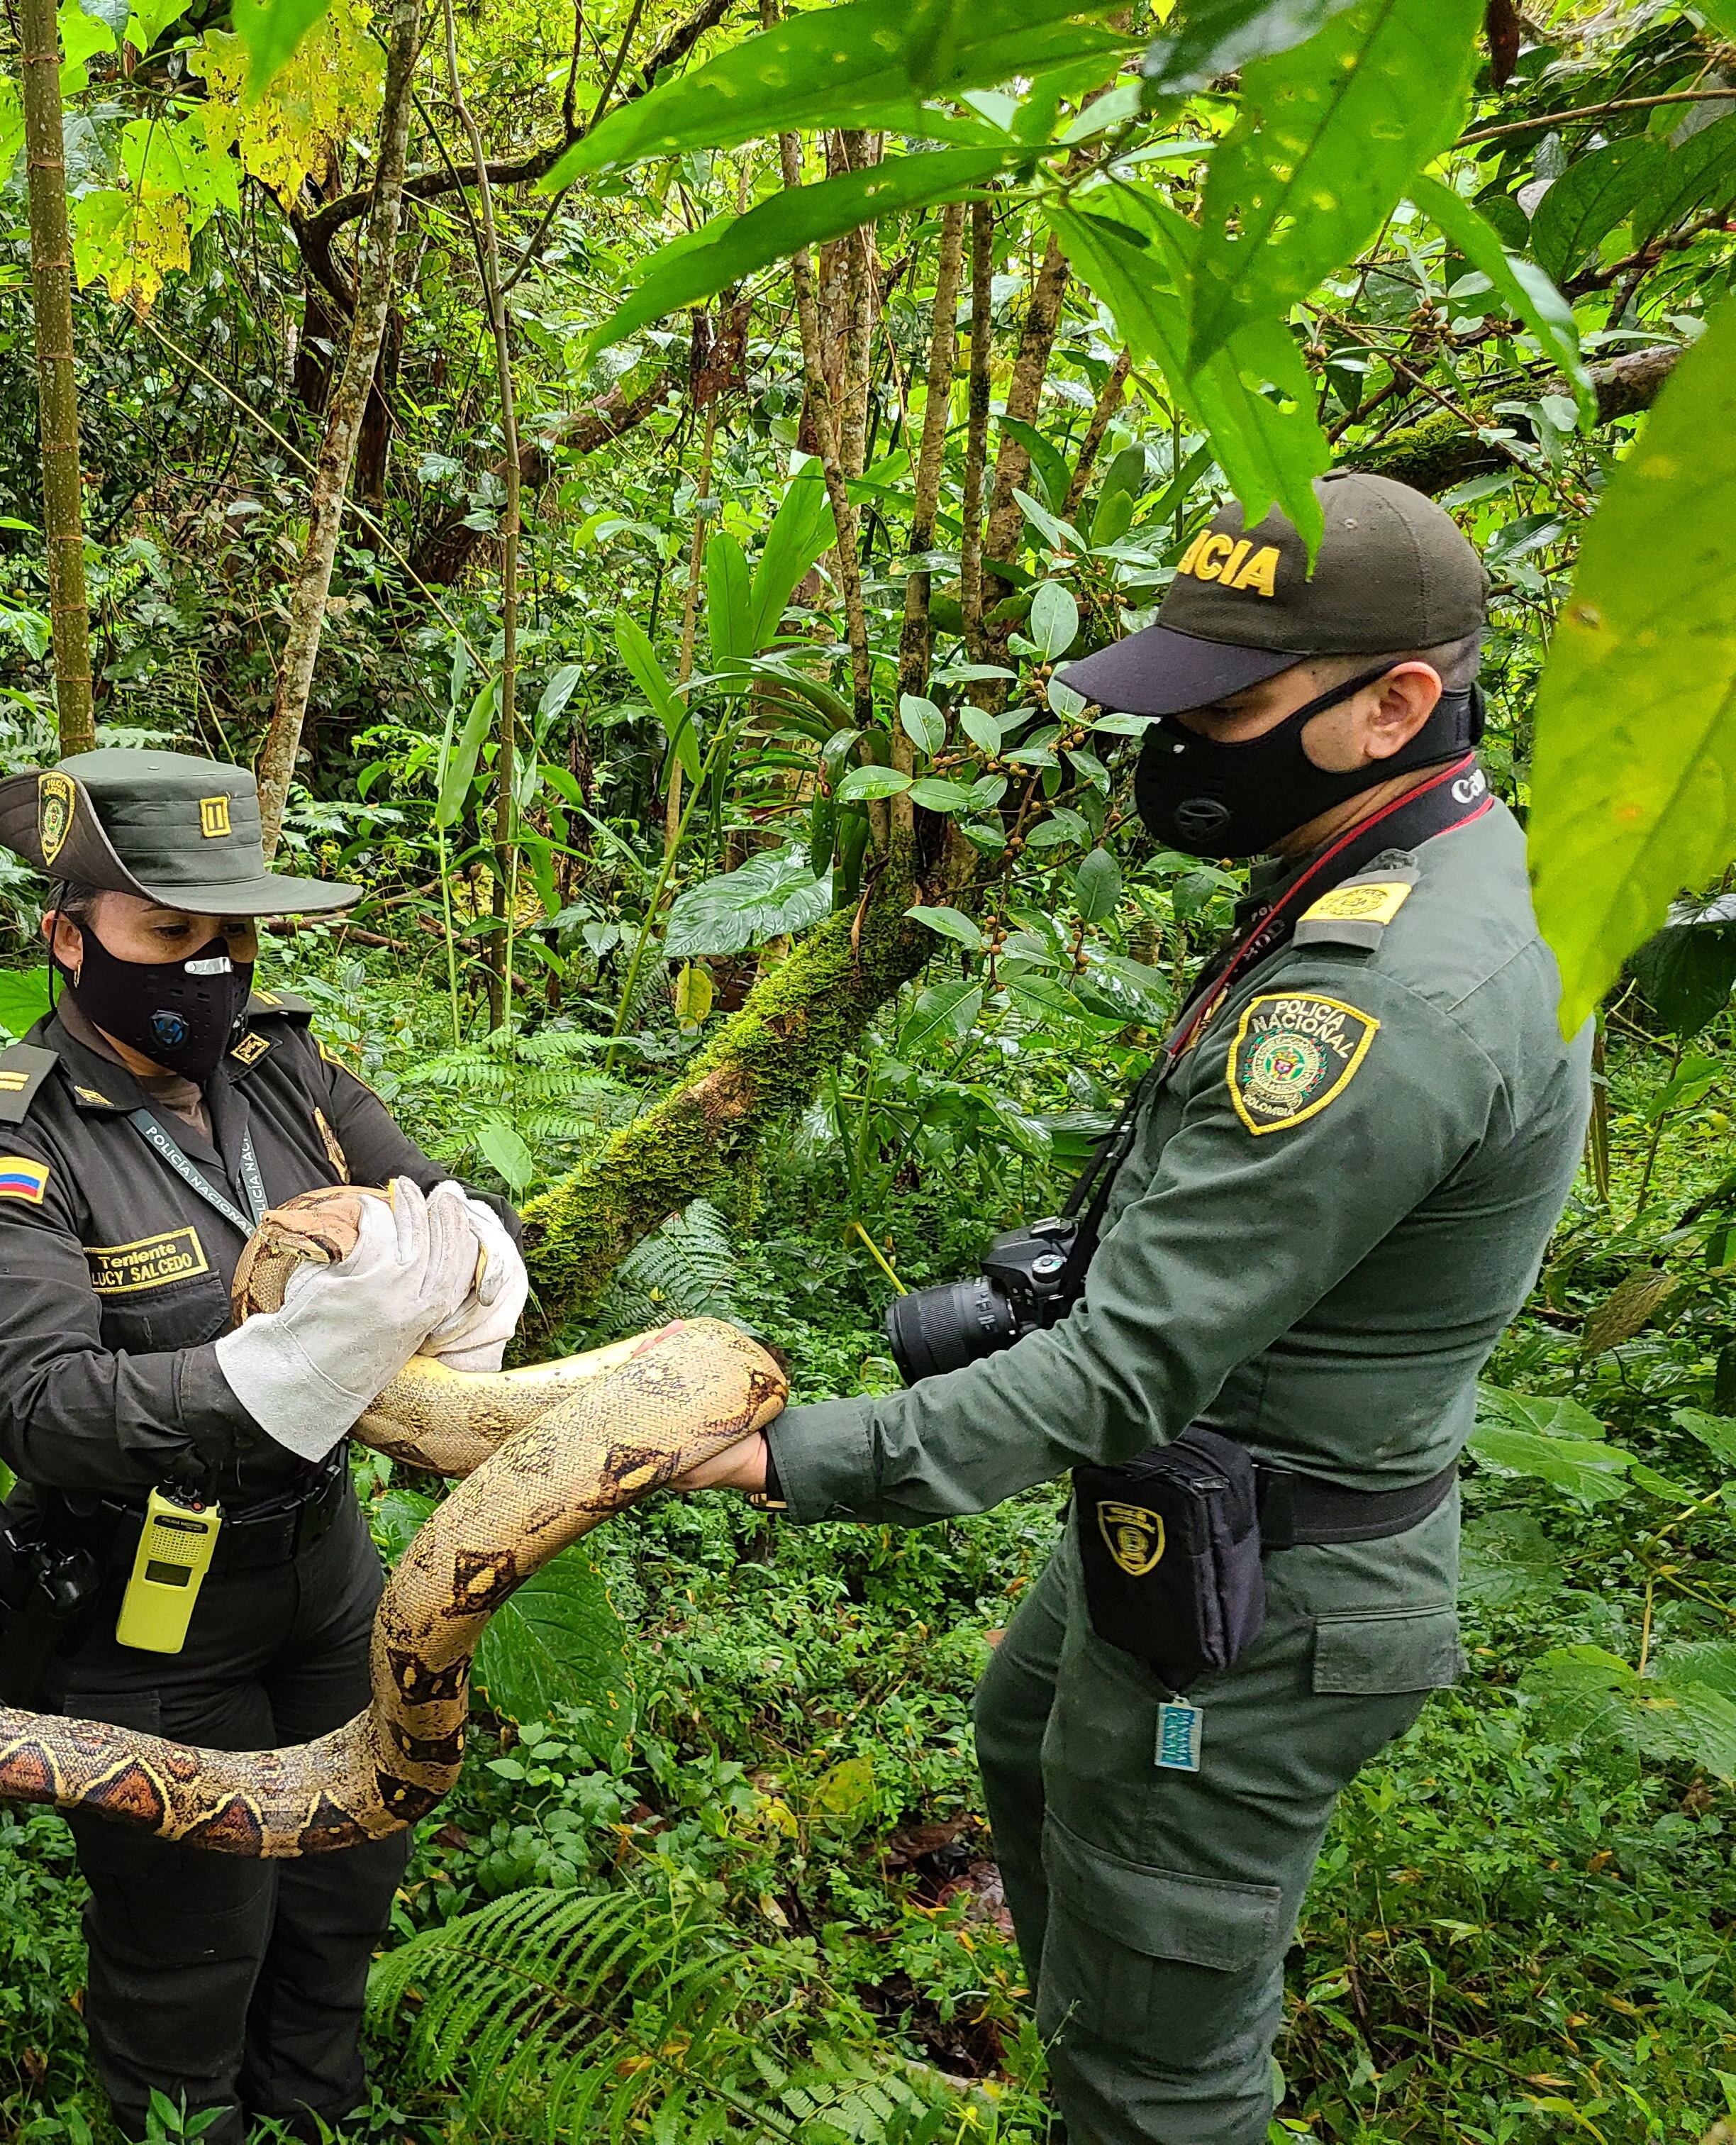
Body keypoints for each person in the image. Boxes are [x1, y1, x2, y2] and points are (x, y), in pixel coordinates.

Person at [679, 472, 1588, 2142]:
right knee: (1026, 1737)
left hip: (1265, 1606)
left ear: (1395, 702)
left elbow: (1121, 1369)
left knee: (1162, 2081)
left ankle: (1121, 2072)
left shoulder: (1395, 999)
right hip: (1193, 1523)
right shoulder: (1408, 853)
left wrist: (784, 1460)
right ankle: (1094, 2019)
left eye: (1229, 707)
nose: (1180, 745)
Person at [0, 749, 521, 2141]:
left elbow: (431, 1188)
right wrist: (275, 1372)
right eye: (167, 936)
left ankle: (315, 2115)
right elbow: (40, 1403)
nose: (208, 970)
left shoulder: (283, 1069)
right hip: (149, 1618)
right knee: (190, 1956)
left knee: (341, 1903)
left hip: (326, 1577)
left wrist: (480, 1247)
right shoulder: (15, 1146)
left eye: (231, 935)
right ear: (68, 937)